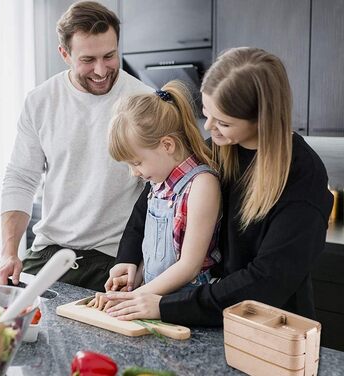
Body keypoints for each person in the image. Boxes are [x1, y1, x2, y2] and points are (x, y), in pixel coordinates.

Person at [101, 47, 333, 325]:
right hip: (209, 315)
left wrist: (167, 306)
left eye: (223, 122)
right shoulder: (219, 149)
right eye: (207, 113)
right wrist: (127, 257)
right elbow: (155, 197)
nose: (209, 126)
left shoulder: (302, 179)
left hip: (270, 328)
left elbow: (266, 280)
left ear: (262, 119)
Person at [0, 1, 153, 291]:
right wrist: (9, 253)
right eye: (88, 59)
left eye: (110, 56)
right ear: (64, 54)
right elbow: (20, 178)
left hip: (112, 259)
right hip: (48, 252)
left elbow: (161, 193)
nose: (102, 70)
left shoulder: (145, 101)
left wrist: (140, 263)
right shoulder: (40, 101)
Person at [87, 80, 222, 309]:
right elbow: (155, 252)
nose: (133, 173)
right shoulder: (159, 184)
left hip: (187, 302)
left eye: (137, 162)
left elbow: (189, 265)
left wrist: (134, 297)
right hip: (153, 297)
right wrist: (134, 280)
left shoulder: (202, 185)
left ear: (167, 145)